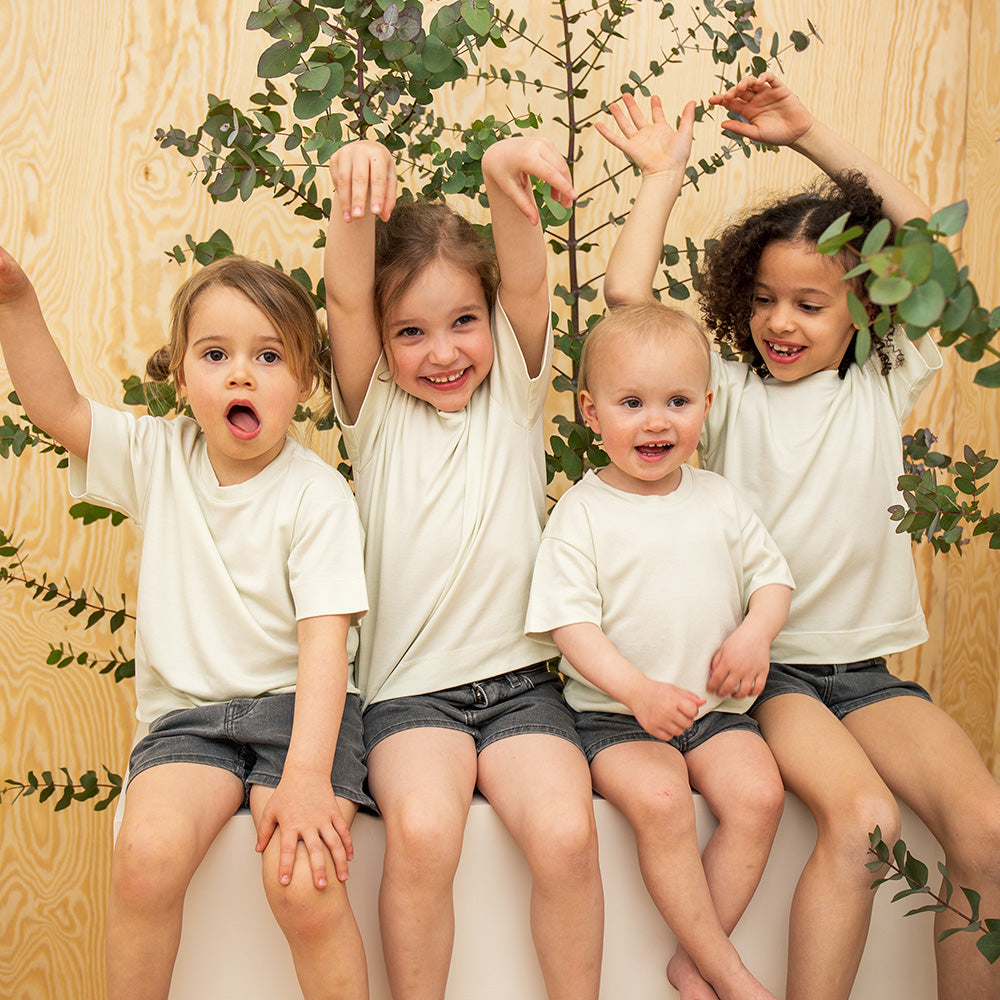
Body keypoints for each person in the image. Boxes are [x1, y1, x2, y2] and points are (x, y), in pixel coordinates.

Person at [600, 72, 1000, 1000]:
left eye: (811, 305)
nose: (781, 321)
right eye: (766, 299)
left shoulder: (882, 379)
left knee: (983, 831)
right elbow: (629, 299)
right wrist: (662, 174)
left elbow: (930, 247)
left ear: (865, 309)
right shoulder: (724, 396)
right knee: (866, 822)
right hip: (764, 673)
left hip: (863, 673)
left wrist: (810, 133)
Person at [0, 251, 372, 1000]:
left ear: (304, 382)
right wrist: (15, 300)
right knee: (143, 856)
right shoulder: (158, 457)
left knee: (304, 882)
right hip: (188, 723)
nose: (241, 374)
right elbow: (59, 409)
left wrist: (304, 775)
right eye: (216, 354)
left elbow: (325, 643)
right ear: (180, 377)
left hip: (299, 717)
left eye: (268, 356)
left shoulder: (318, 495)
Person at [323, 136, 604, 1000]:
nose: (443, 352)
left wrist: (499, 177)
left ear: (491, 319)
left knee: (565, 836)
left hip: (522, 686)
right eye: (410, 332)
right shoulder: (373, 412)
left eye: (462, 323)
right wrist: (355, 181)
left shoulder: (514, 397)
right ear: (381, 340)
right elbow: (342, 292)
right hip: (411, 695)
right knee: (423, 834)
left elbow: (525, 277)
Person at [526, 301, 791, 1000]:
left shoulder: (720, 499)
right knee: (665, 800)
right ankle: (728, 972)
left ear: (706, 404)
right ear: (591, 411)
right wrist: (637, 692)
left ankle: (691, 959)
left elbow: (773, 579)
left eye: (677, 401)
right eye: (631, 402)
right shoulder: (582, 511)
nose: (655, 421)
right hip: (614, 719)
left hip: (714, 712)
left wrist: (754, 632)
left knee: (761, 796)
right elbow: (570, 627)